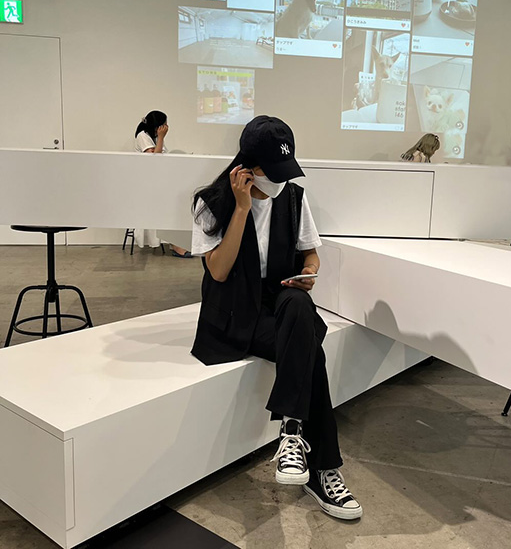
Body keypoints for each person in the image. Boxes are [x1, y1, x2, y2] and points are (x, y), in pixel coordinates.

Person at [190, 115, 362, 520]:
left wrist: (310, 272)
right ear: (247, 167)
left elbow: (310, 253)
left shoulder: (294, 198)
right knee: (310, 353)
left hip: (280, 305)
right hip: (235, 315)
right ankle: (323, 469)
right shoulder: (211, 202)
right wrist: (241, 209)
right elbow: (218, 271)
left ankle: (291, 432)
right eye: (273, 172)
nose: (280, 181)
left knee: (298, 305)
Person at [134, 111, 192, 258]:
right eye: (164, 124)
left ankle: (176, 243)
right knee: (171, 205)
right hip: (147, 185)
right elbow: (155, 159)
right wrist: (161, 138)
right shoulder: (143, 136)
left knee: (178, 202)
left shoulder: (153, 137)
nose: (166, 127)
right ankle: (175, 244)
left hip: (157, 181)